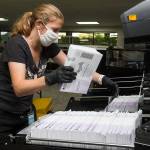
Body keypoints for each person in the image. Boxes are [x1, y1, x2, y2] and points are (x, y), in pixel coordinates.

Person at [0, 3, 118, 135]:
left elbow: (75, 66)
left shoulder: (47, 46)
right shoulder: (16, 45)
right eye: (54, 30)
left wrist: (102, 79)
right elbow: (20, 88)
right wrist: (52, 77)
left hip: (25, 111)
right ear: (39, 24)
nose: (56, 35)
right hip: (5, 115)